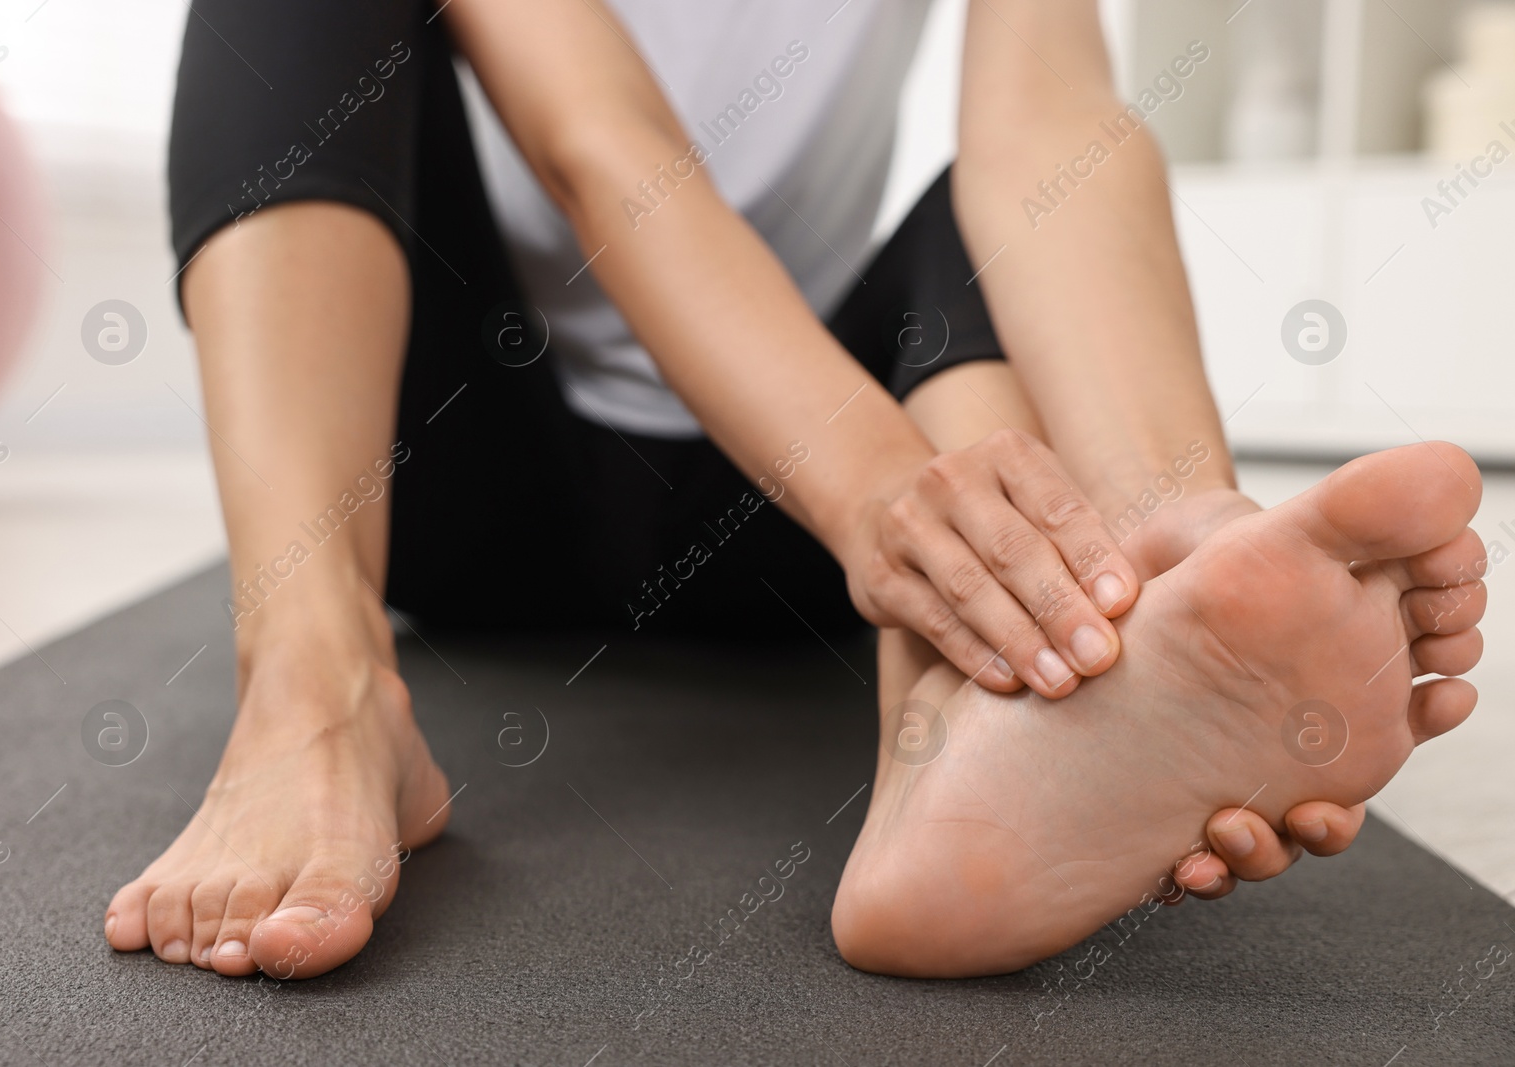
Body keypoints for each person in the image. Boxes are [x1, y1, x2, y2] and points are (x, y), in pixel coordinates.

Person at [103, 0, 1487, 978]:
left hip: (790, 536)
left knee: (1001, 199)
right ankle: (314, 685)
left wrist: (1182, 513)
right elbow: (605, 147)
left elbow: (1049, 131)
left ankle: (1023, 696)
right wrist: (881, 491)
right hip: (473, 479)